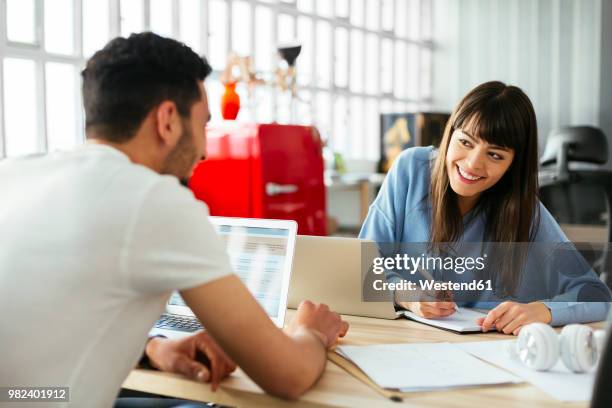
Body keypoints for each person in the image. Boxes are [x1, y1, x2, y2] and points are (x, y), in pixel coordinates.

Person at [0, 32, 348, 408]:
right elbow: (288, 374)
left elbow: (50, 326)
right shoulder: (155, 200)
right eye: (203, 125)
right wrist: (310, 332)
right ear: (167, 120)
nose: (203, 150)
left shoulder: (14, 173)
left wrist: (151, 349)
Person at [359, 81, 611, 335]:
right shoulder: (411, 169)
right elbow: (361, 268)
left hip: (482, 351)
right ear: (450, 134)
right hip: (403, 341)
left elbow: (596, 294)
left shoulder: (525, 210)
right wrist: (408, 295)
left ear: (513, 164)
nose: (473, 164)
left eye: (495, 155)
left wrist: (543, 310)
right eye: (466, 142)